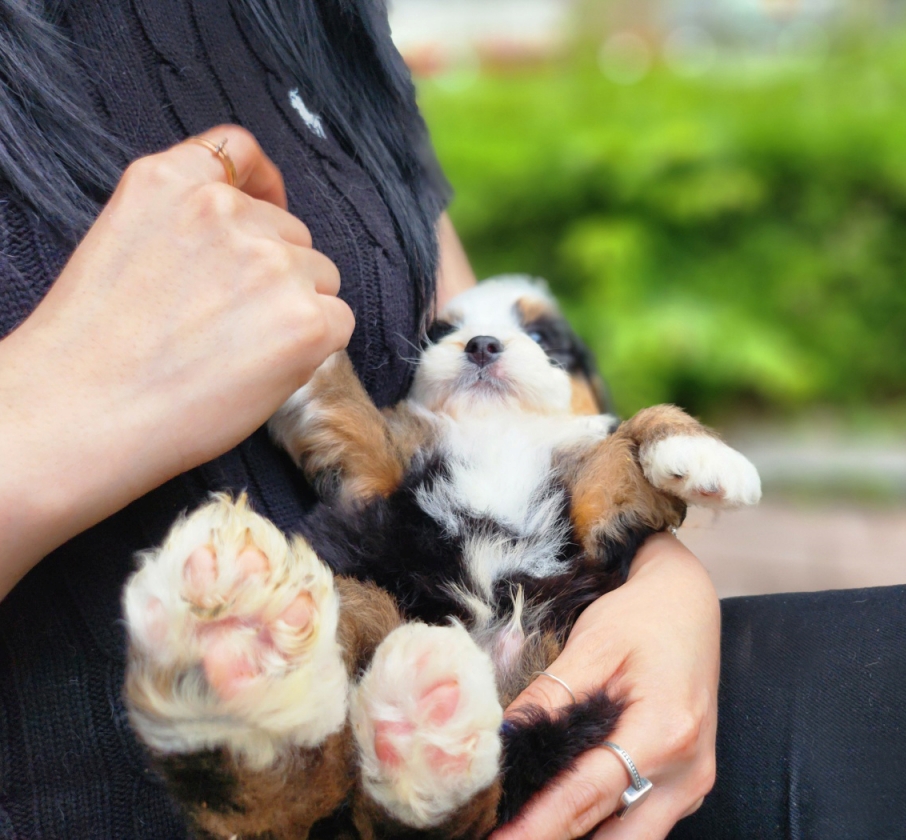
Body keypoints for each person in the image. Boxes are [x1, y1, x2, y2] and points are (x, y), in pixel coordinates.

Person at [0, 1, 715, 838]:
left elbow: (462, 354)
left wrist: (659, 579)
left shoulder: (328, 18)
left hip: (538, 732)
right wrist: (70, 392)